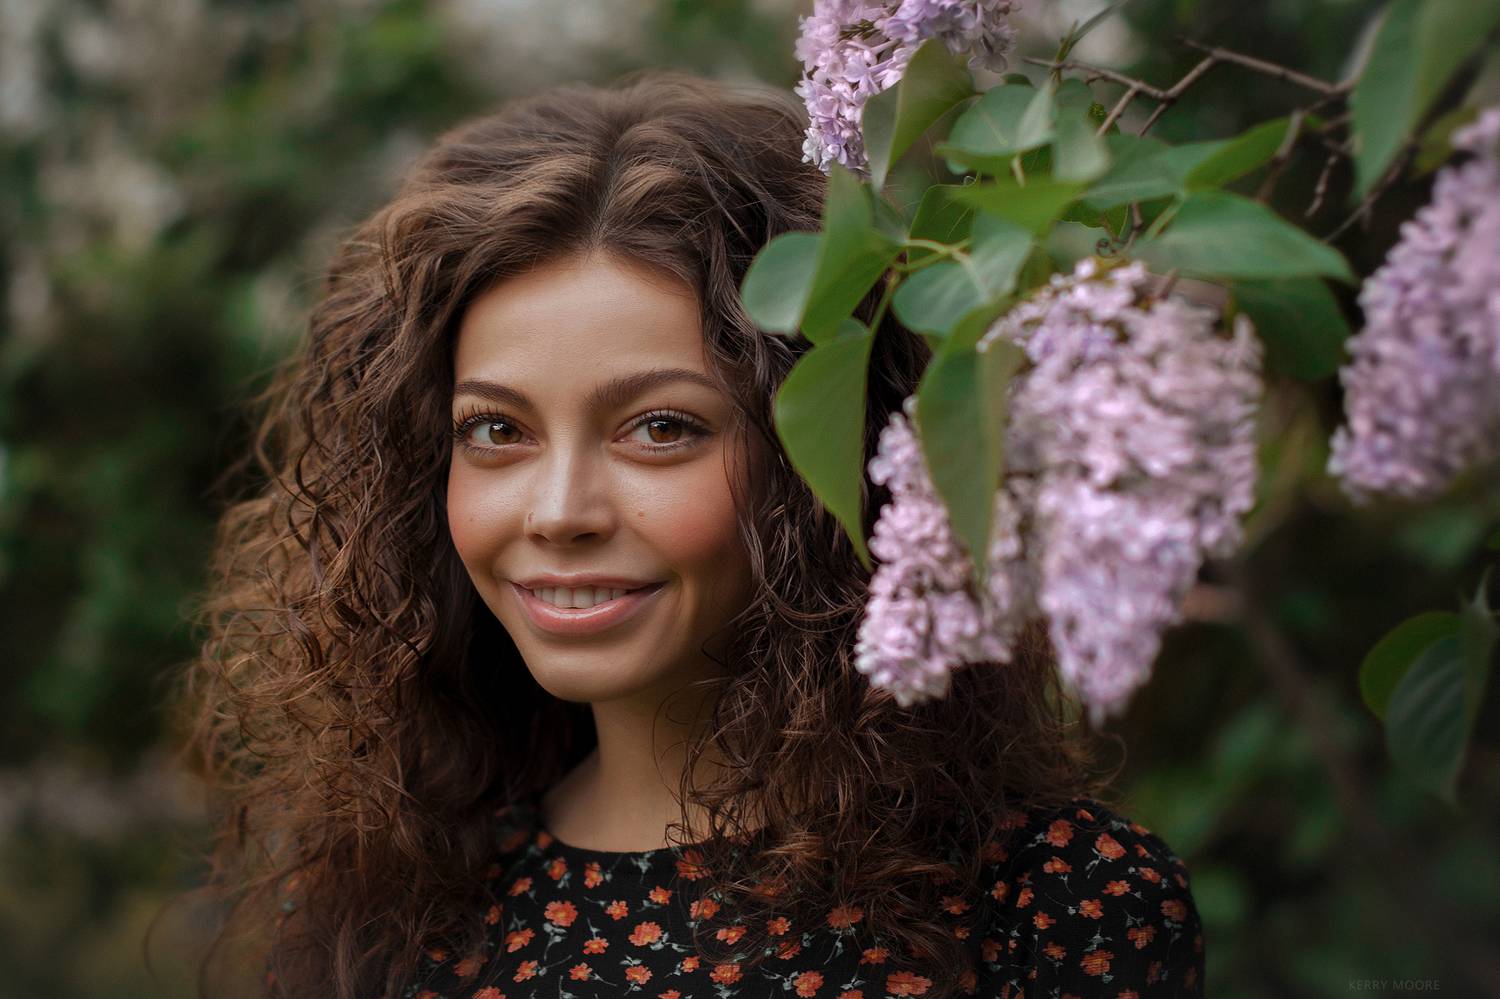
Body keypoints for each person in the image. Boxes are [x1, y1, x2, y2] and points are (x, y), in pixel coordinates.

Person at [171, 68, 1205, 999]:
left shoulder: (1050, 906)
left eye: (660, 428)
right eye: (496, 430)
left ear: (817, 461)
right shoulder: (391, 921)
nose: (560, 510)